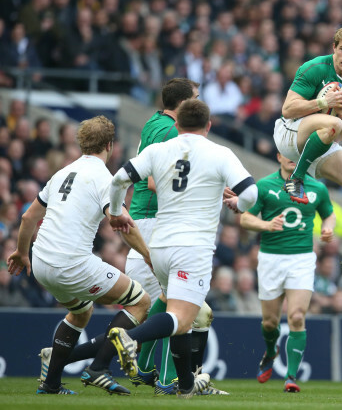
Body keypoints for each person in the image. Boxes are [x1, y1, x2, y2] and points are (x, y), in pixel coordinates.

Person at [106, 99, 257, 398]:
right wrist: (239, 205)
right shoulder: (219, 152)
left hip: (159, 245)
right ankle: (130, 337)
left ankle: (182, 383)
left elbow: (119, 178)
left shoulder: (158, 150)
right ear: (209, 125)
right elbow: (251, 192)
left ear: (176, 124)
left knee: (174, 312)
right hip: (192, 247)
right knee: (183, 317)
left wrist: (114, 212)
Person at [6, 116, 152, 395]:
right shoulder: (104, 178)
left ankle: (50, 383)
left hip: (41, 263)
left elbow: (28, 218)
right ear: (110, 145)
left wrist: (21, 253)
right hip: (71, 264)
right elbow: (121, 222)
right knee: (140, 302)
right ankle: (98, 368)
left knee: (81, 311)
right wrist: (147, 255)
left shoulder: (62, 173)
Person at [124, 77, 216, 395]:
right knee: (179, 306)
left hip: (147, 219)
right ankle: (168, 379)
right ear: (182, 104)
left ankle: (144, 369)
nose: (199, 103)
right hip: (153, 219)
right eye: (196, 98)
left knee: (164, 301)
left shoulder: (154, 122)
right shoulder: (168, 131)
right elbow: (152, 182)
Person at [273, 24, 342, 273]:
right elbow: (287, 110)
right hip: (290, 133)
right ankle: (295, 179)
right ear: (334, 47)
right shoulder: (314, 68)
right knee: (331, 123)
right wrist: (323, 102)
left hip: (322, 139)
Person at [239, 153, 335, 393]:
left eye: (299, 155)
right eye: (288, 154)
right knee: (270, 322)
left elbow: (329, 213)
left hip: (301, 259)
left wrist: (327, 228)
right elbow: (245, 218)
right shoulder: (264, 186)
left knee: (296, 316)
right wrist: (266, 225)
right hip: (271, 258)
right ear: (279, 156)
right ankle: (271, 351)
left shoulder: (317, 188)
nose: (293, 158)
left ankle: (291, 376)